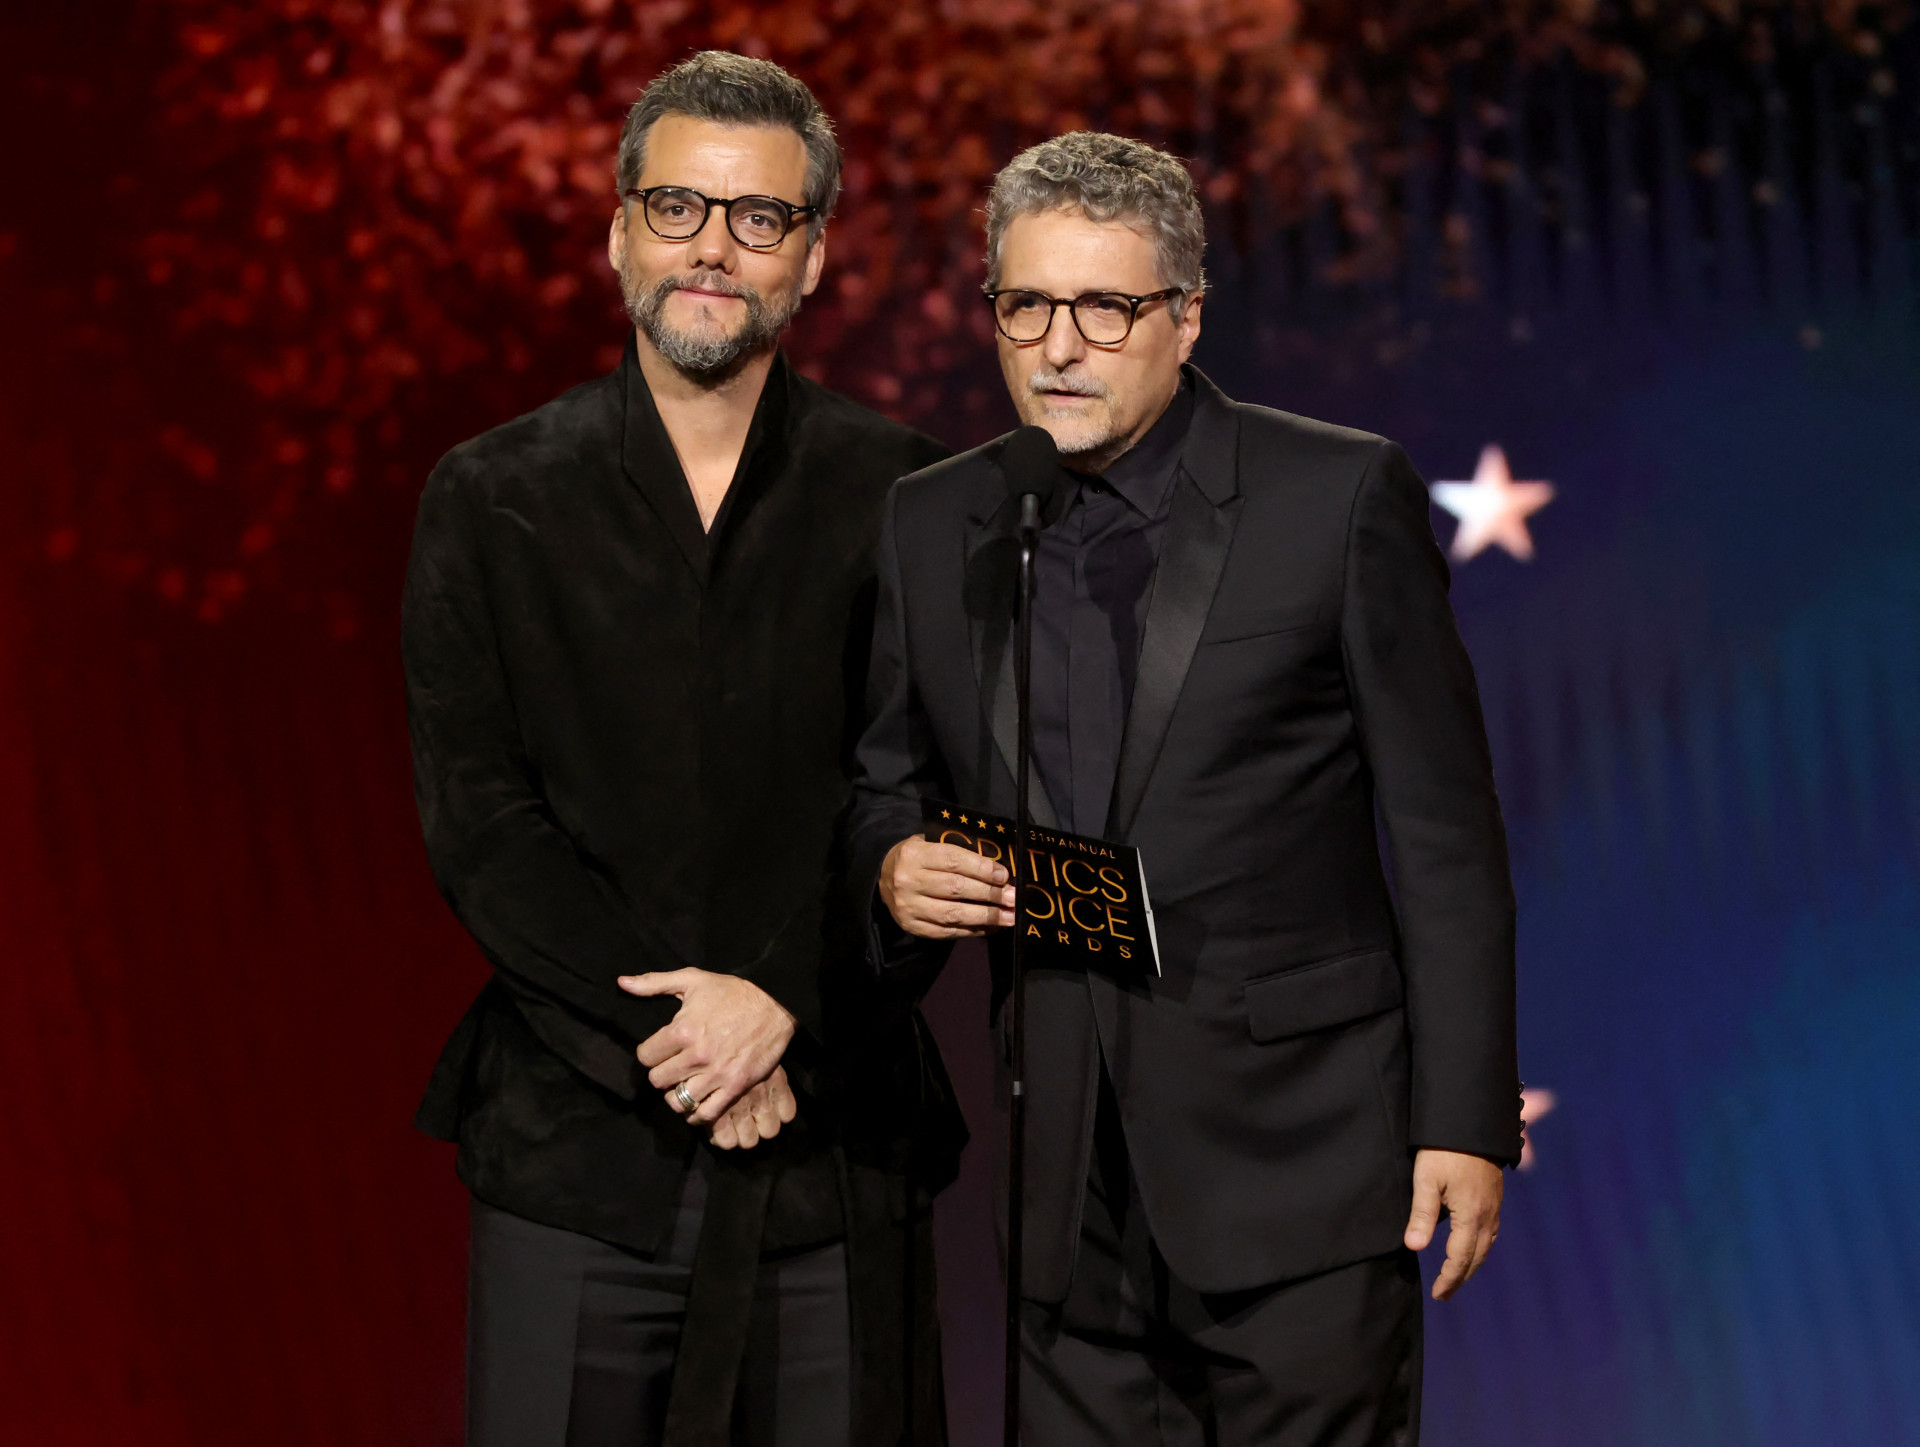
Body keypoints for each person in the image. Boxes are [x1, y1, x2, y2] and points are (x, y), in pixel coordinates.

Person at [848, 132, 1521, 1445]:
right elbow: (885, 778)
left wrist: (1466, 1117)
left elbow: (1445, 835)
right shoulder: (934, 522)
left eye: (1106, 308)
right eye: (1027, 305)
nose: (1059, 347)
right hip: (1059, 1182)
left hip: (1306, 1165)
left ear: (1186, 314)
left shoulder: (1333, 497)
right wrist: (892, 865)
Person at [404, 52, 957, 1447]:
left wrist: (780, 997)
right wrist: (685, 1027)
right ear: (616, 231)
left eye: (759, 218)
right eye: (677, 208)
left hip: (838, 1148)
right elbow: (482, 822)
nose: (714, 246)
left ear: (815, 256)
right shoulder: (489, 496)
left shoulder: (914, 498)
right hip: (576, 1152)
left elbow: (933, 810)